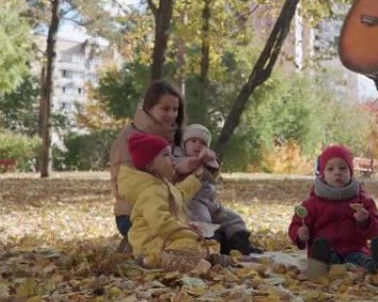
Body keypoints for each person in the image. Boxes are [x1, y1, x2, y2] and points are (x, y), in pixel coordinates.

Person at [109, 80, 200, 244]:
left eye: (175, 109)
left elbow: (165, 182)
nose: (172, 115)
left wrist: (195, 169)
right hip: (133, 215)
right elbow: (142, 188)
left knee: (215, 227)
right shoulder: (133, 138)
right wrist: (179, 170)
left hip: (163, 209)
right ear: (149, 108)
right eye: (165, 109)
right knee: (183, 242)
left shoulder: (166, 134)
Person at [288, 145, 378, 273]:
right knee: (326, 259)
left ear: (350, 172)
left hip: (355, 250)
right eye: (331, 169)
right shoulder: (311, 204)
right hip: (326, 252)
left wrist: (365, 221)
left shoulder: (362, 200)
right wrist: (299, 234)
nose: (337, 172)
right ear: (323, 174)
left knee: (363, 261)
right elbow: (297, 224)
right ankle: (321, 264)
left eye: (343, 168)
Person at [118, 132, 207, 268]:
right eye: (166, 155)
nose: (172, 159)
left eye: (172, 155)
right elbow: (161, 223)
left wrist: (196, 177)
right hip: (151, 243)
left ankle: (198, 260)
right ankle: (151, 260)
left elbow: (179, 195)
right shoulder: (152, 191)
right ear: (149, 164)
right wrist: (187, 231)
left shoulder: (162, 184)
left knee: (203, 243)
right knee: (189, 243)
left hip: (163, 238)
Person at [176, 124, 263, 255]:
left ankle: (241, 244)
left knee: (233, 218)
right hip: (192, 201)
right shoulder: (179, 159)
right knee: (200, 220)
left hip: (211, 202)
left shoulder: (207, 160)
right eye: (193, 141)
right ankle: (208, 245)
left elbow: (213, 177)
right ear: (184, 144)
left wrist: (212, 162)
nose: (198, 145)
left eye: (202, 143)